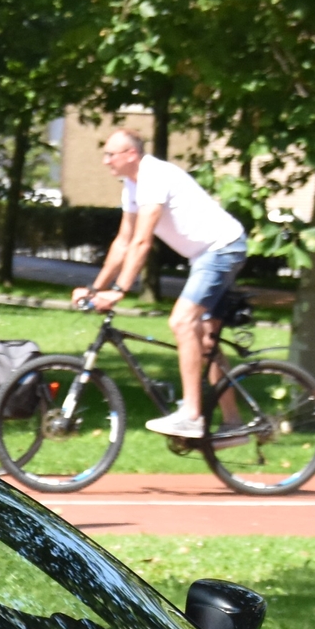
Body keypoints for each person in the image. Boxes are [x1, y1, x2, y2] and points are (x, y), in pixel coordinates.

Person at [76, 131, 248, 439]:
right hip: (204, 255)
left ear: (131, 154)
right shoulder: (131, 185)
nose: (105, 161)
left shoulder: (154, 177)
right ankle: (234, 425)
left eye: (110, 155)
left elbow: (142, 241)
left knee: (182, 322)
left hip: (222, 249)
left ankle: (192, 416)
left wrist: (119, 290)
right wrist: (95, 287)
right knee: (205, 341)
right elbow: (123, 241)